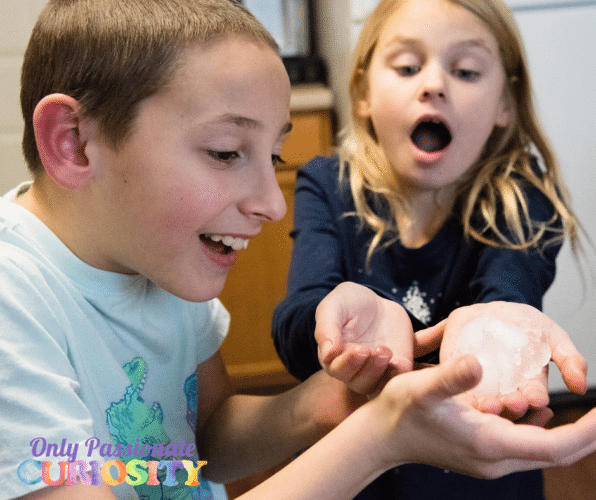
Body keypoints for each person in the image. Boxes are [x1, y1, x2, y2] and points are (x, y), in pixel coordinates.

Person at [2, 1, 596, 500]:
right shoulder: (13, 301)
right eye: (227, 151)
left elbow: (202, 441)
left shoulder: (155, 263)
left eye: (274, 158)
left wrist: (339, 397)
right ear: (74, 142)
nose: (273, 203)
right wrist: (382, 435)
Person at [272, 0, 588, 498]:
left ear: (506, 103)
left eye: (464, 70)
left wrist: (496, 321)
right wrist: (332, 329)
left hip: (476, 468)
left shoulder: (524, 197)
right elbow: (295, 328)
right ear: (362, 94)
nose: (434, 84)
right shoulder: (327, 185)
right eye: (407, 66)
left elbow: (508, 288)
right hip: (354, 468)